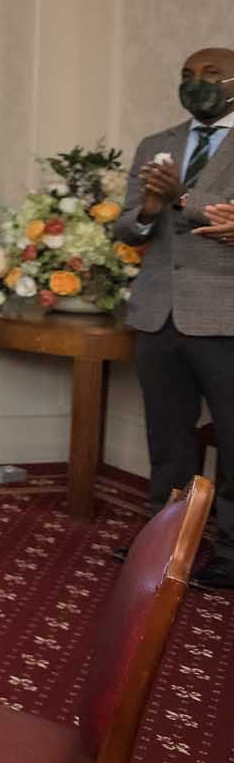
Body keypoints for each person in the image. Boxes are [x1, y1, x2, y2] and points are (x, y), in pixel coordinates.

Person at [114, 45, 234, 590]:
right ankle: (162, 543)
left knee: (231, 440)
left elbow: (218, 218)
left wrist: (180, 196)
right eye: (187, 74)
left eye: (211, 73)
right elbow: (126, 227)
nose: (196, 82)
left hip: (223, 314)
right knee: (168, 440)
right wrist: (148, 209)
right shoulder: (157, 144)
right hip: (158, 312)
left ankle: (230, 552)